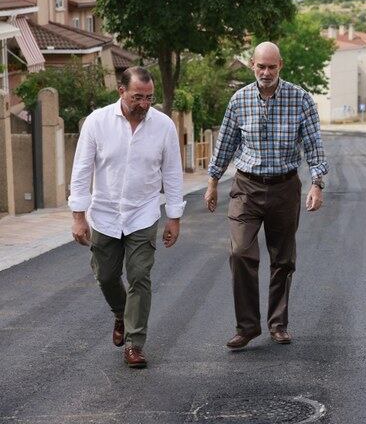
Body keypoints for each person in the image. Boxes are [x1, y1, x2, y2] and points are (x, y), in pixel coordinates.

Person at [205, 41, 328, 349]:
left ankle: (278, 323)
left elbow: (313, 145)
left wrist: (316, 183)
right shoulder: (239, 100)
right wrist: (212, 181)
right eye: (261, 66)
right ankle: (247, 326)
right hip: (246, 187)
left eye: (272, 67)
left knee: (283, 259)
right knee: (240, 252)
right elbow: (225, 144)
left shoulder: (301, 99)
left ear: (280, 66)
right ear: (252, 65)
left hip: (285, 187)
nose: (266, 72)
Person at [69, 66, 185, 369]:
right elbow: (81, 170)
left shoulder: (164, 126)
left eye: (149, 98)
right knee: (106, 275)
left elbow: (172, 173)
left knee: (139, 276)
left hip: (143, 213)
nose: (144, 104)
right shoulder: (97, 122)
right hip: (105, 213)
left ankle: (135, 343)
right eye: (137, 97)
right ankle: (121, 313)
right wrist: (78, 216)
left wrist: (174, 217)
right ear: (121, 91)